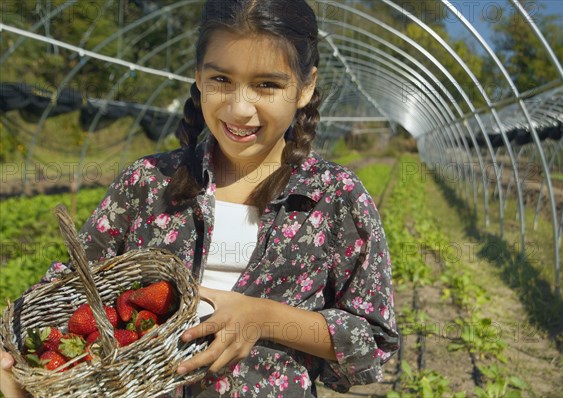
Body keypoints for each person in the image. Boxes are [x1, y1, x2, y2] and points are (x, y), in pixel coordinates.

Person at [0, 0, 399, 396]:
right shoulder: (148, 183)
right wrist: (15, 352)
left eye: (267, 85)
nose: (240, 109)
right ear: (198, 76)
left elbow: (372, 339)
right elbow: (70, 290)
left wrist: (263, 318)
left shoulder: (333, 197)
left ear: (305, 86)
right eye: (221, 80)